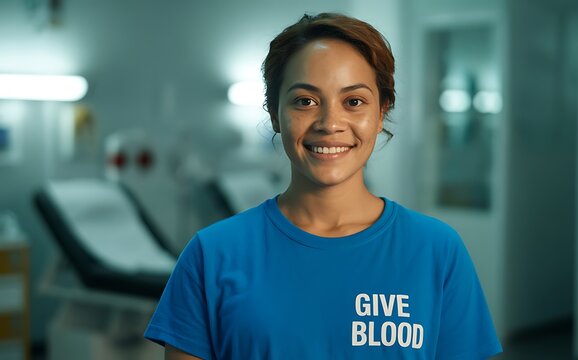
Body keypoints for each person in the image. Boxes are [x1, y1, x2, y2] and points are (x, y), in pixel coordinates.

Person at [144, 12, 502, 360]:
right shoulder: (212, 254)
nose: (330, 123)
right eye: (305, 101)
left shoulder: (436, 250)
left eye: (354, 102)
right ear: (274, 114)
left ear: (381, 113)